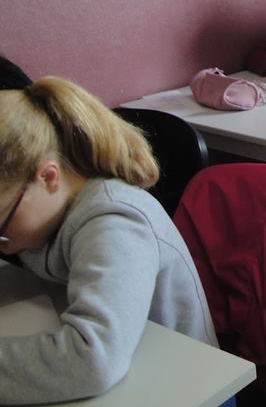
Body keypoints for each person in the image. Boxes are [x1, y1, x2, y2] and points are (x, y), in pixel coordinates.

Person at [0, 77, 218, 404]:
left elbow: (93, 360)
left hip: (192, 390)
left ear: (48, 177)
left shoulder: (115, 223)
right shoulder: (38, 210)